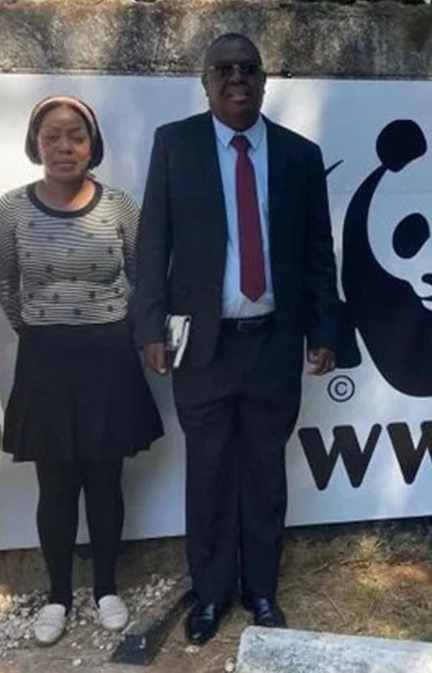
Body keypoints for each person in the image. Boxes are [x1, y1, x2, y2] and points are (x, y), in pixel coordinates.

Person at [135, 32, 339, 645]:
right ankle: (211, 593)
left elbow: (318, 252)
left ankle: (262, 591)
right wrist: (149, 327)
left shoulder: (300, 155)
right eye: (223, 70)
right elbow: (153, 244)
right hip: (202, 345)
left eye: (248, 68)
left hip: (274, 340)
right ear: (205, 83)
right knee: (209, 473)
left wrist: (324, 328)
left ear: (264, 80)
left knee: (265, 472)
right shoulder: (175, 145)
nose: (236, 79)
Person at [0, 95, 163, 646]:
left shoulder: (120, 208)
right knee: (56, 485)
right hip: (46, 361)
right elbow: (6, 285)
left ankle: (107, 587)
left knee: (105, 480)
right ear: (35, 143)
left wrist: (117, 330)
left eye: (77, 136)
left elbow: (142, 276)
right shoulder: (10, 211)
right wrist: (46, 328)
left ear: (93, 145)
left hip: (109, 357)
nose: (65, 147)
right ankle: (58, 596)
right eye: (52, 136)